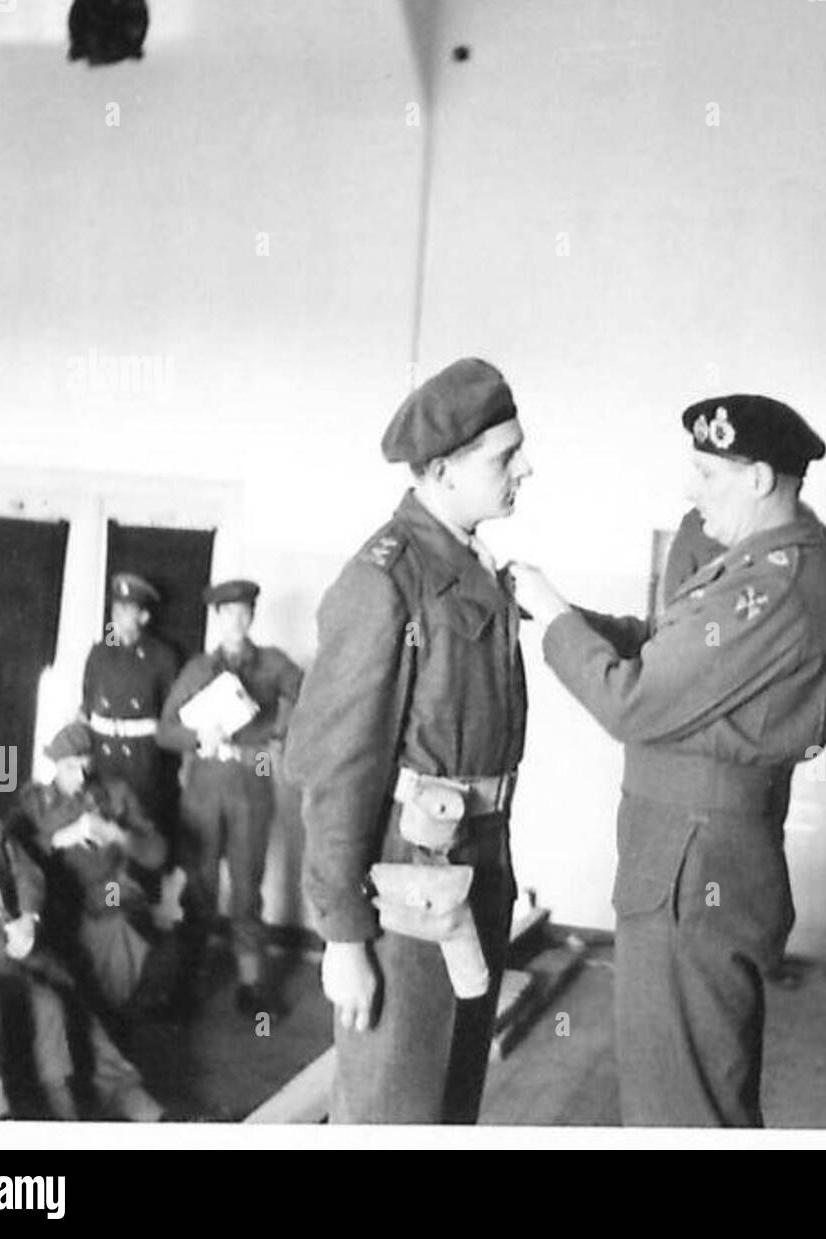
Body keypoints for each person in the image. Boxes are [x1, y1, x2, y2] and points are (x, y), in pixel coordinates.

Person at [510, 393, 826, 1127]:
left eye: (706, 473)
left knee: (680, 1103)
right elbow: (667, 641)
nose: (690, 491)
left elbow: (632, 700)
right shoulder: (763, 561)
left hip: (694, 866)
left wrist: (557, 622)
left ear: (758, 479)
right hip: (694, 854)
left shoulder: (768, 586)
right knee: (696, 1084)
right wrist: (568, 611)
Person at [285, 357, 531, 1123]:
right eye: (504, 457)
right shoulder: (385, 579)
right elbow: (336, 769)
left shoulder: (470, 564)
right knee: (396, 1108)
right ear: (440, 469)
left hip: (473, 869)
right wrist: (345, 938)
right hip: (407, 887)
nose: (526, 467)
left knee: (451, 1107)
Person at [0, 758, 162, 1121]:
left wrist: (29, 916)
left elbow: (26, 871)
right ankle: (114, 1100)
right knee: (52, 998)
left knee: (66, 988)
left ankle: (114, 1102)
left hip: (19, 939)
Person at [157, 579, 303, 1015]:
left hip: (251, 782)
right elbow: (164, 731)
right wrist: (195, 735)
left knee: (246, 888)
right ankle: (184, 988)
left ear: (252, 617)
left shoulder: (273, 663)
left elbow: (314, 700)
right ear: (216, 619)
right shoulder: (198, 668)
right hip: (204, 784)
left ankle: (252, 988)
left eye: (244, 613)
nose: (236, 621)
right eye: (228, 614)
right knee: (199, 888)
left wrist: (283, 734)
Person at [15, 722, 170, 1015]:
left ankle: (112, 1016)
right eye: (71, 767)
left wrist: (120, 836)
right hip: (58, 894)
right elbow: (14, 851)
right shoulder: (35, 801)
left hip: (108, 889)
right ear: (56, 765)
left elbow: (156, 854)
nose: (81, 775)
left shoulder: (115, 793)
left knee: (116, 922)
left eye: (86, 766)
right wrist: (60, 838)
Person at [81, 572, 179, 846]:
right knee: (101, 842)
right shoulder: (99, 653)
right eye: (116, 607)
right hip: (104, 761)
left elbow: (171, 718)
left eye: (127, 608)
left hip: (142, 765)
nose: (118, 613)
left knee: (140, 839)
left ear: (144, 617)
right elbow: (88, 707)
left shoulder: (163, 657)